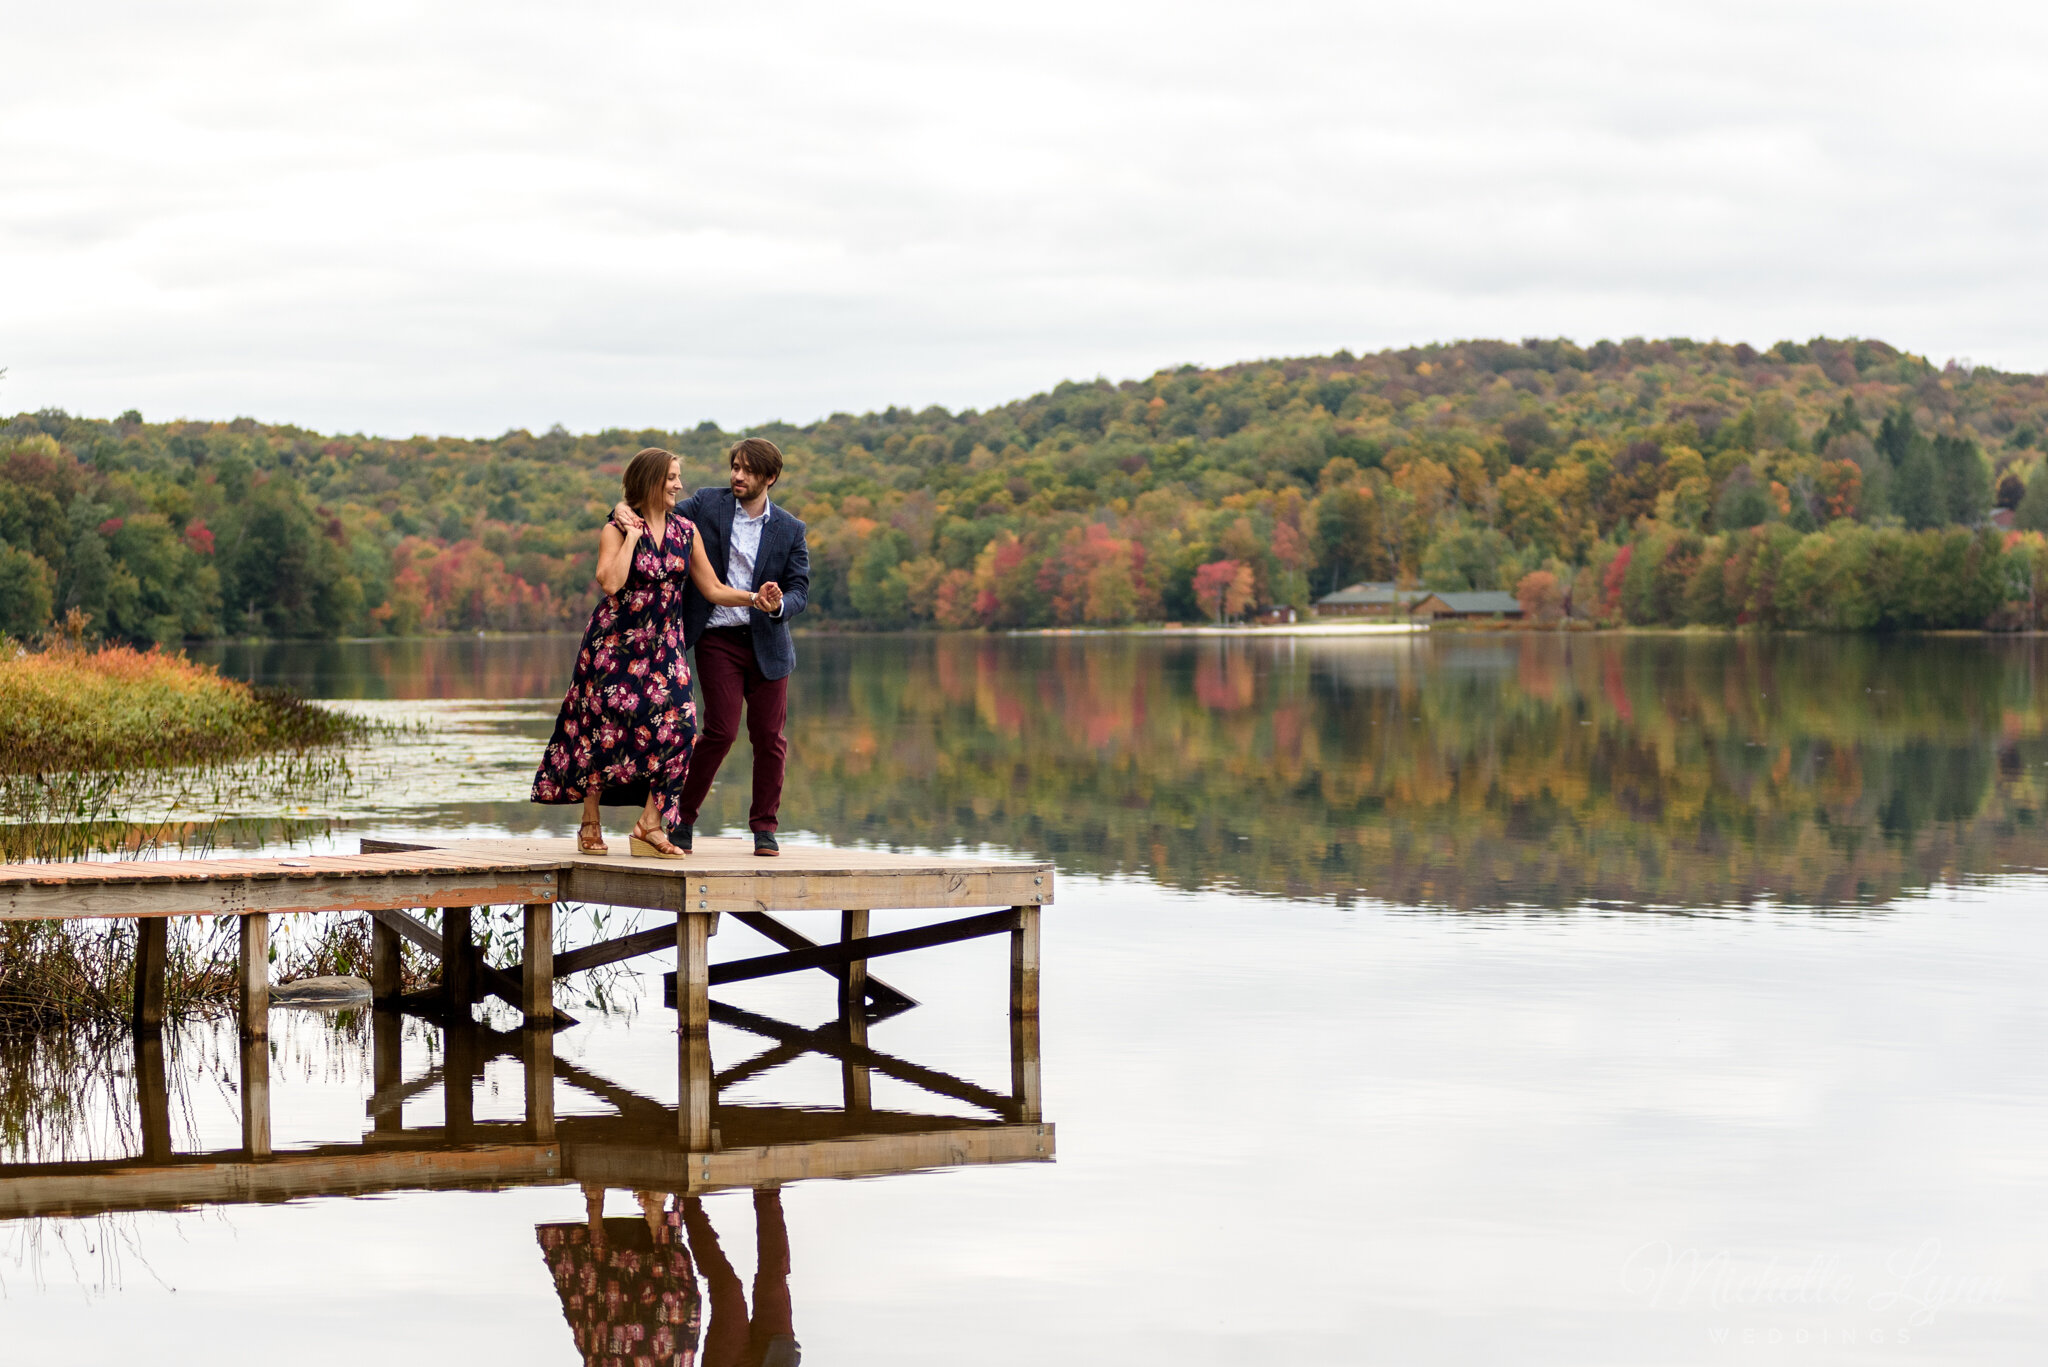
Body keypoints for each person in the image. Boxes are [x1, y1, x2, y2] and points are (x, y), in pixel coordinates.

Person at [531, 447, 780, 859]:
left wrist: (756, 598)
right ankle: (589, 822)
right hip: (614, 646)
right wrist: (631, 535)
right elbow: (610, 582)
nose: (679, 485)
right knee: (600, 732)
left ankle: (650, 823)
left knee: (681, 729)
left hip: (665, 645)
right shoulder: (616, 528)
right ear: (650, 481)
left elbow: (713, 588)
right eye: (671, 478)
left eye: (678, 477)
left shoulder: (686, 530)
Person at [671, 438, 810, 857]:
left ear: (770, 478)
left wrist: (779, 604)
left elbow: (800, 590)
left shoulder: (790, 528)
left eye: (748, 470)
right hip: (717, 638)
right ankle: (682, 818)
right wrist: (620, 511)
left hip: (769, 644)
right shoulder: (707, 505)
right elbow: (658, 516)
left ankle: (764, 828)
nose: (737, 475)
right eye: (735, 467)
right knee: (720, 731)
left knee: (769, 738)